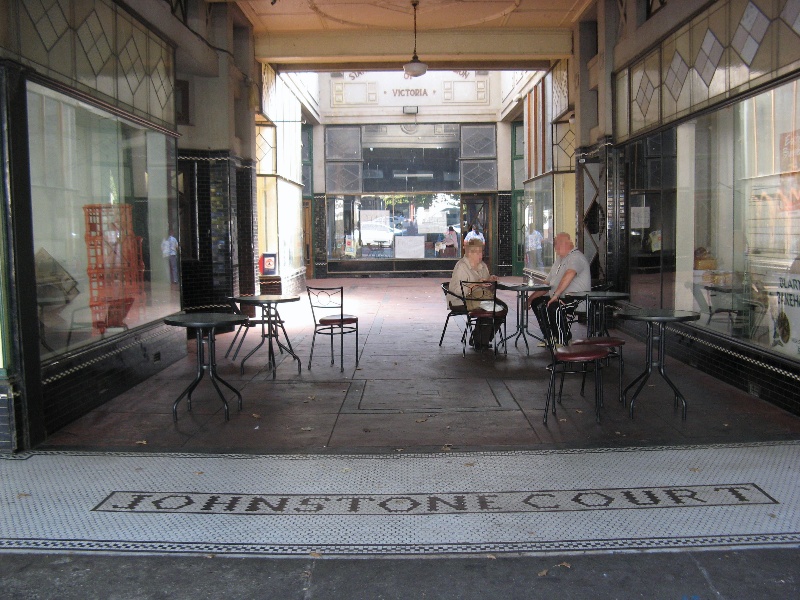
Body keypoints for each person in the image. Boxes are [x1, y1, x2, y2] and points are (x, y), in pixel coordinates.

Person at [526, 232, 590, 346]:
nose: (556, 247)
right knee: (538, 303)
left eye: (558, 244)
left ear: (569, 243)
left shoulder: (576, 257)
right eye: (555, 244)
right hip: (560, 297)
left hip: (577, 299)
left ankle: (563, 340)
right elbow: (547, 284)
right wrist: (530, 299)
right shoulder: (559, 260)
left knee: (555, 306)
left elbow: (570, 274)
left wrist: (556, 295)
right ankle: (550, 337)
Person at [449, 239, 507, 349]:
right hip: (462, 300)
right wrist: (475, 285)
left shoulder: (483, 266)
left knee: (503, 308)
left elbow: (487, 288)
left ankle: (480, 338)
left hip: (480, 297)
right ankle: (480, 342)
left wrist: (490, 280)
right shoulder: (462, 266)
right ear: (470, 253)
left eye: (482, 252)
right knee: (489, 309)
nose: (481, 255)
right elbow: (456, 290)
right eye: (478, 252)